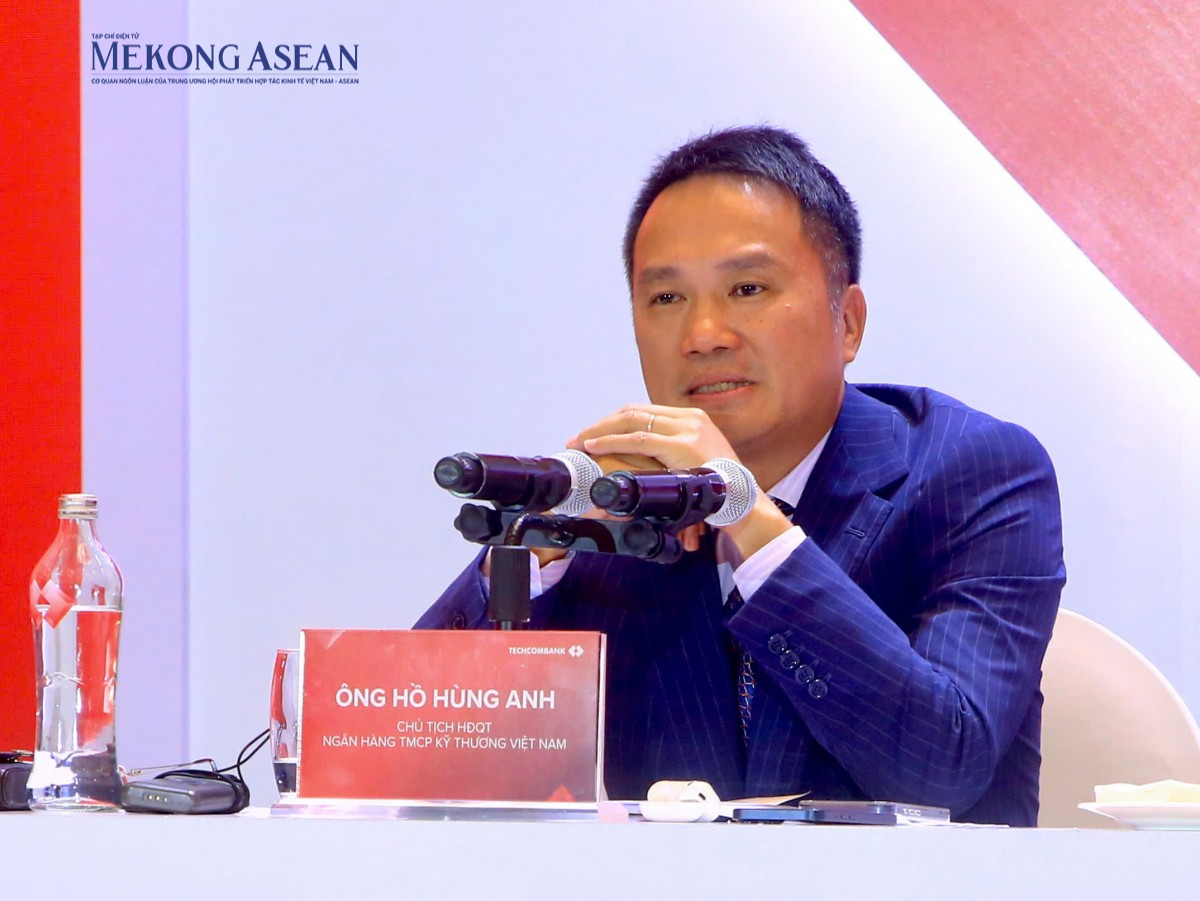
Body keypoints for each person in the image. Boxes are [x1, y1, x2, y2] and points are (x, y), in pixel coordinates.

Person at [416, 125, 1065, 826]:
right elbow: (407, 757)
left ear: (847, 322)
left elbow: (943, 767)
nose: (703, 335)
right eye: (666, 299)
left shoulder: (972, 471)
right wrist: (533, 555)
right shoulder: (615, 504)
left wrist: (747, 517)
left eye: (747, 288)